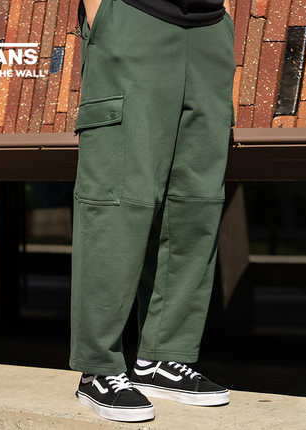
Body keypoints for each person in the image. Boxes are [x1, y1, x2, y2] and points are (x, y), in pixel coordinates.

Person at [70, 0, 236, 422]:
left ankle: (162, 359)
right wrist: (102, 12)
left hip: (209, 27)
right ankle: (98, 368)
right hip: (133, 16)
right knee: (118, 200)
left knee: (195, 203)